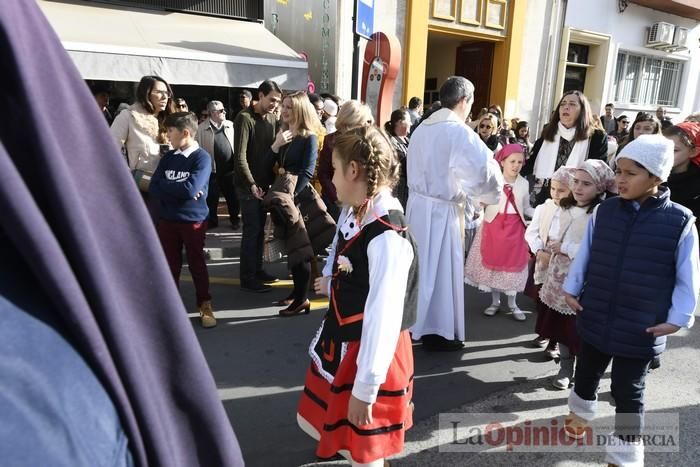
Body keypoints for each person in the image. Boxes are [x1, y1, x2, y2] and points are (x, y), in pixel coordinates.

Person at [0, 1, 244, 463]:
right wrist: (140, 182)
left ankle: (201, 304)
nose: (161, 98)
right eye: (155, 92)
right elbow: (109, 155)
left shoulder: (179, 132)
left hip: (160, 205)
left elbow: (194, 178)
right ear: (144, 94)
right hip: (134, 199)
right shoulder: (126, 117)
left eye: (165, 94)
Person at [563, 135, 699, 466]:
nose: (620, 180)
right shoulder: (604, 211)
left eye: (631, 173)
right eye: (618, 171)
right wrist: (572, 287)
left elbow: (688, 277)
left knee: (629, 392)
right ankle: (580, 413)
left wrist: (679, 318)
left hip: (642, 325)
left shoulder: (680, 221)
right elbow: (586, 255)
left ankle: (624, 455)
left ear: (657, 177)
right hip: (596, 311)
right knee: (585, 373)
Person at [298, 126, 418, 466]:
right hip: (348, 340)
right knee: (333, 430)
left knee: (364, 450)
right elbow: (343, 251)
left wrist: (366, 389)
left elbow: (383, 316)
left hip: (372, 351)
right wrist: (331, 281)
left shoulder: (387, 237)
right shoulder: (357, 210)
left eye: (334, 170)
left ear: (354, 170)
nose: (330, 180)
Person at [407, 76, 503, 351]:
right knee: (439, 272)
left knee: (420, 269)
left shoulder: (422, 127)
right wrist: (486, 197)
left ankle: (414, 323)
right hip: (442, 212)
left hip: (417, 208)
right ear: (464, 101)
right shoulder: (458, 132)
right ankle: (438, 330)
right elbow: (484, 174)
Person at [538, 160, 615, 390]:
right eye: (576, 182)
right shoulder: (565, 207)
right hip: (558, 275)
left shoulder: (600, 213)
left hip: (582, 279)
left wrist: (565, 248)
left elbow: (594, 248)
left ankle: (584, 369)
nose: (579, 188)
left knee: (579, 328)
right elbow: (554, 232)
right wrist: (552, 244)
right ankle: (565, 366)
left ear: (600, 188)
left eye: (587, 184)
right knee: (561, 327)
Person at [149, 112, 215, 328]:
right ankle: (171, 307)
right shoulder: (169, 157)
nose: (167, 135)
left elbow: (191, 189)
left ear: (185, 133)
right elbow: (153, 186)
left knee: (197, 263)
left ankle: (204, 304)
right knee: (170, 265)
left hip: (193, 220)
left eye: (170, 131)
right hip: (167, 219)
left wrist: (176, 190)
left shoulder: (202, 158)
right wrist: (180, 190)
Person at [464, 144, 534, 321]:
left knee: (513, 266)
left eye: (520, 162)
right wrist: (477, 204)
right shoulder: (494, 180)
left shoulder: (524, 184)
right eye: (512, 161)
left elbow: (525, 206)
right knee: (493, 264)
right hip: (494, 226)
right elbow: (480, 199)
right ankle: (494, 302)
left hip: (515, 228)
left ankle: (513, 303)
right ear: (502, 162)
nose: (516, 165)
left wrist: (541, 213)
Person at [268, 91, 320, 315]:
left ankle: (301, 299)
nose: (284, 110)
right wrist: (277, 144)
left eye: (289, 107)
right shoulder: (285, 134)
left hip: (296, 198)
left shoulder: (310, 137)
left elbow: (307, 172)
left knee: (301, 249)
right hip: (283, 197)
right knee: (292, 247)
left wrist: (290, 198)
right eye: (284, 106)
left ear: (300, 110)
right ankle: (295, 293)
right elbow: (272, 163)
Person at [233, 80, 282, 292]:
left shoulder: (273, 119)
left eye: (277, 102)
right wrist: (251, 184)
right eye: (271, 99)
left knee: (260, 231)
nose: (274, 104)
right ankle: (248, 277)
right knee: (251, 231)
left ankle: (257, 269)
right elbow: (240, 156)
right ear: (259, 96)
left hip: (265, 184)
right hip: (247, 186)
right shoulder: (244, 118)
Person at [524, 90, 607, 206]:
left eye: (572, 104)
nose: (566, 107)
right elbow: (529, 163)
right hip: (550, 193)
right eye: (563, 104)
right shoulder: (549, 131)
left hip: (578, 197)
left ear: (582, 110)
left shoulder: (596, 137)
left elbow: (599, 174)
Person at [525, 167, 572, 359]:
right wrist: (538, 250)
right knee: (541, 301)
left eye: (561, 190)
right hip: (543, 261)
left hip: (562, 266)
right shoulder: (543, 208)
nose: (555, 193)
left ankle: (554, 342)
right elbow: (532, 232)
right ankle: (543, 332)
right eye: (553, 188)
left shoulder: (573, 212)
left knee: (556, 305)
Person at [318, 100, 375, 221]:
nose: (366, 125)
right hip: (336, 202)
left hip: (360, 201)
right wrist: (338, 197)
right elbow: (323, 174)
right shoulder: (330, 140)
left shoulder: (366, 141)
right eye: (363, 122)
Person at [197, 100, 241, 230]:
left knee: (233, 197)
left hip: (230, 169)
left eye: (224, 109)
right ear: (213, 113)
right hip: (211, 170)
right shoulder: (201, 128)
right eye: (221, 111)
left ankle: (235, 219)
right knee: (212, 198)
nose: (224, 112)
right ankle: (213, 221)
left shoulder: (231, 125)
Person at [664, 122, 700, 230]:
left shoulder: (696, 187)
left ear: (693, 152)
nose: (666, 154)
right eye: (664, 148)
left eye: (674, 150)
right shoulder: (654, 177)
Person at [384, 108, 411, 209]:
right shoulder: (391, 142)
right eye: (409, 121)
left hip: (408, 189)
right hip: (398, 189)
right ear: (400, 122)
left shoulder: (408, 140)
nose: (411, 123)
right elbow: (403, 164)